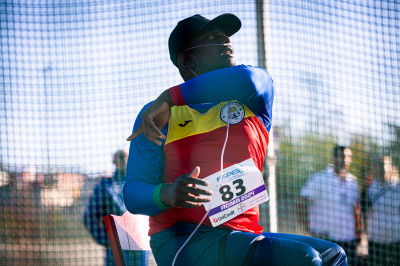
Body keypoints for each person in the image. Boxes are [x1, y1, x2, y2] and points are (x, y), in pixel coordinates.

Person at [124, 13, 347, 266]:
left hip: (242, 235)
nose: (225, 40)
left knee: (333, 255)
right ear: (187, 59)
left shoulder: (253, 95)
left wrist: (170, 96)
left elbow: (249, 79)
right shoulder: (156, 117)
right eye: (211, 36)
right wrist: (169, 193)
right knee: (305, 260)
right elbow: (132, 193)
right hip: (184, 240)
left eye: (225, 34)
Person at [84, 150, 150, 265]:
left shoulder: (141, 182)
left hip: (140, 245)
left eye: (125, 156)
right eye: (119, 157)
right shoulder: (104, 186)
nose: (123, 159)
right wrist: (106, 239)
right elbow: (89, 217)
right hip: (117, 248)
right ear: (114, 161)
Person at [300, 145, 361, 265]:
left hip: (348, 239)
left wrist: (358, 232)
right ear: (334, 157)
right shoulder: (320, 178)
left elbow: (356, 209)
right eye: (341, 156)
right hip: (326, 238)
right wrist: (306, 226)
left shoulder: (353, 182)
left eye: (348, 156)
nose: (344, 160)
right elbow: (302, 201)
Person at [367, 156, 400, 265]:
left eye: (384, 165)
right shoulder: (370, 189)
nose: (381, 168)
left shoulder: (397, 188)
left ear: (390, 167)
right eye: (378, 165)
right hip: (376, 241)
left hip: (395, 240)